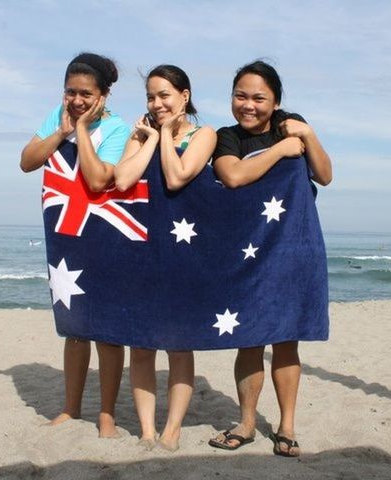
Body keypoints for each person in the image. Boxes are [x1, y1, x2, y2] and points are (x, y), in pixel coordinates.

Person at [207, 60, 332, 457]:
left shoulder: (291, 123)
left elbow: (325, 175)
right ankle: (246, 423)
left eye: (259, 98)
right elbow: (233, 177)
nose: (249, 105)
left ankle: (287, 427)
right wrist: (281, 149)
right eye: (240, 96)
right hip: (246, 253)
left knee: (286, 341)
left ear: (276, 101)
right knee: (247, 338)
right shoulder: (226, 137)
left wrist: (308, 135)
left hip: (293, 249)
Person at [20, 52, 130, 438]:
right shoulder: (58, 116)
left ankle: (107, 414)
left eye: (86, 93)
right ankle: (70, 407)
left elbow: (100, 180)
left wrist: (81, 129)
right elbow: (27, 161)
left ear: (104, 95)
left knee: (108, 329)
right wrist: (60, 132)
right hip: (67, 235)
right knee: (75, 325)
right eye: (70, 91)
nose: (77, 100)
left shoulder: (118, 129)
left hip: (104, 233)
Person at [115, 65, 216, 451]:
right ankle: (146, 430)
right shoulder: (142, 134)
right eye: (150, 97)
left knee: (178, 344)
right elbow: (123, 180)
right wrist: (149, 138)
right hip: (142, 248)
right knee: (140, 344)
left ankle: (172, 431)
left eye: (164, 96)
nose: (156, 103)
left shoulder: (204, 134)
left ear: (184, 97)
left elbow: (177, 177)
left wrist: (165, 137)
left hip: (184, 253)